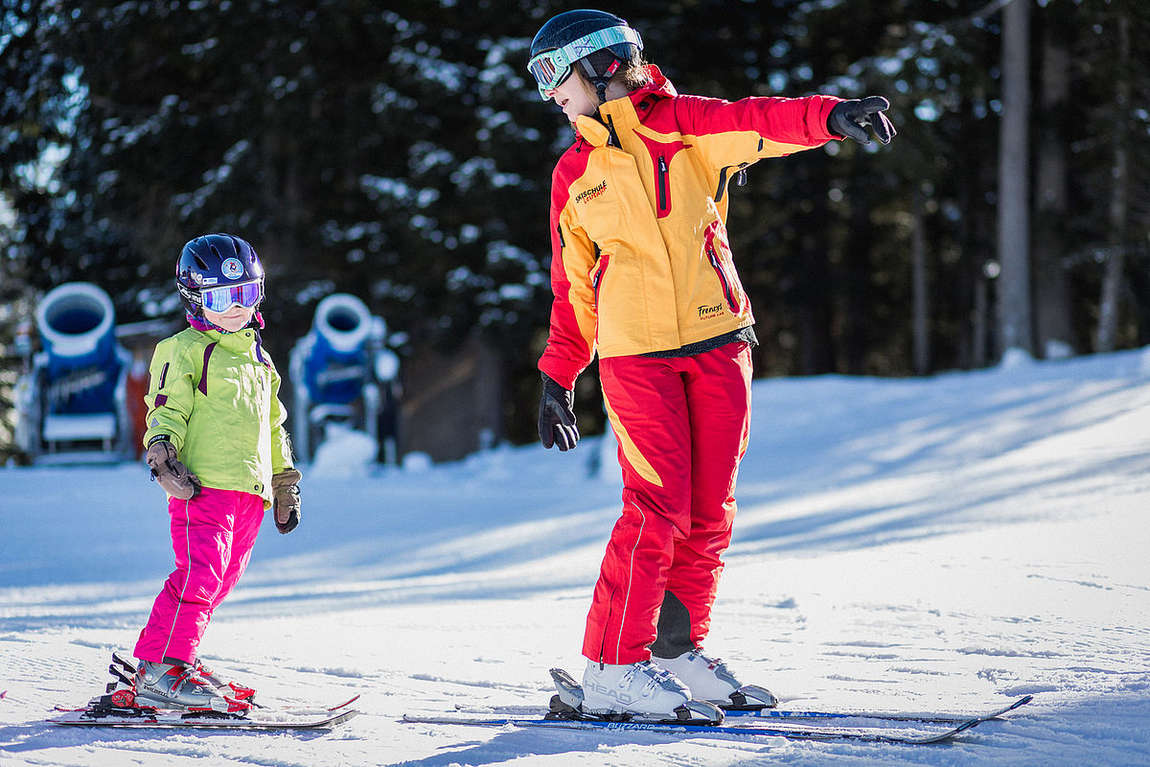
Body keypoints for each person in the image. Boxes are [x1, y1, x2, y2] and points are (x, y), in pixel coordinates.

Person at [529, 10, 895, 719]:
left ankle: (673, 650)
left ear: (601, 63)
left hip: (719, 340)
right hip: (635, 357)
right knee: (656, 506)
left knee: (708, 511)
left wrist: (831, 117)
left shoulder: (685, 126)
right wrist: (558, 373)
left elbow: (757, 120)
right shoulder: (574, 172)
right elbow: (572, 284)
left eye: (552, 73)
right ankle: (612, 665)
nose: (547, 92)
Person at [129, 233, 301, 712]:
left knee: (220, 580)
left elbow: (273, 425)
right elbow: (165, 408)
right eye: (222, 298)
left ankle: (173, 658)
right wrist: (162, 452)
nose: (236, 308)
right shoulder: (183, 349)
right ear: (195, 298)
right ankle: (162, 668)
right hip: (201, 486)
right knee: (198, 576)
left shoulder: (260, 359)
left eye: (245, 293)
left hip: (249, 492)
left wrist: (284, 483)